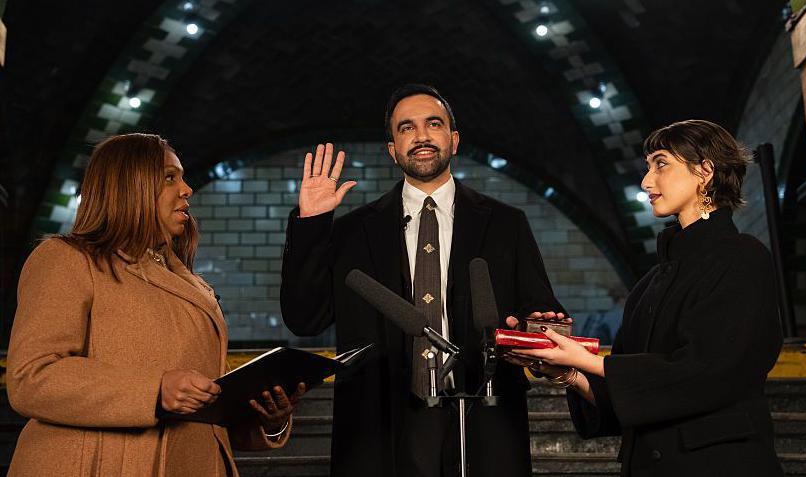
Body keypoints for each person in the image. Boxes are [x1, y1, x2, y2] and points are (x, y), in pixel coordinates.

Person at [280, 84, 564, 477]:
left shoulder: (506, 224)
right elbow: (304, 318)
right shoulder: (352, 231)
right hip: (380, 426)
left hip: (483, 417)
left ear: (454, 139)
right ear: (392, 149)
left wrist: (534, 331)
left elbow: (540, 311)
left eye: (434, 123)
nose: (422, 136)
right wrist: (311, 224)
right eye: (406, 128)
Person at [7, 133, 302, 476]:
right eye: (169, 177)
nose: (187, 189)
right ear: (128, 185)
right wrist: (154, 390)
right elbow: (32, 377)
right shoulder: (65, 259)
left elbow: (206, 409)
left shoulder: (190, 283)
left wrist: (268, 419)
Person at [510, 119, 784, 476]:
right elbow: (631, 399)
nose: (646, 181)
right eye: (647, 167)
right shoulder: (649, 283)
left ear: (704, 171)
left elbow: (707, 371)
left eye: (661, 163)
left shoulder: (743, 257)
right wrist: (569, 372)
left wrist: (588, 360)